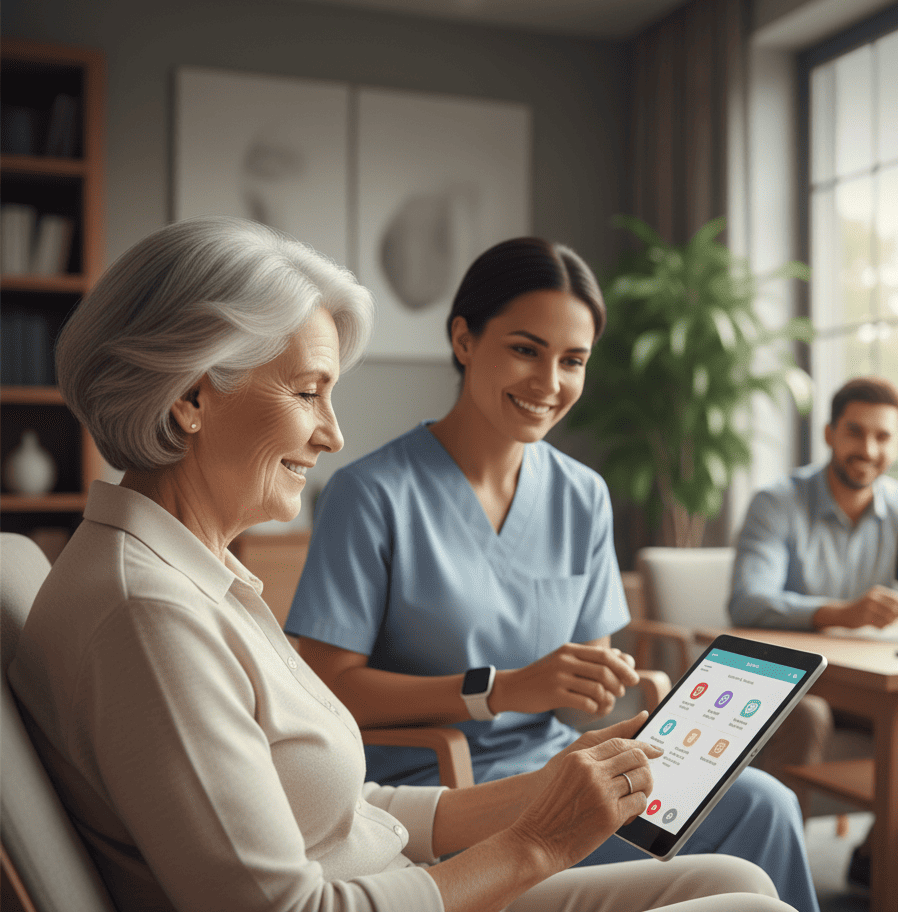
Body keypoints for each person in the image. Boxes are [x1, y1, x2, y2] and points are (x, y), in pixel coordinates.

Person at [7, 217, 798, 912]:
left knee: (739, 878)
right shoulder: (150, 614)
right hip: (398, 877)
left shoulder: (198, 577)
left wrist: (558, 785)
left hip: (399, 849)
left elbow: (344, 810)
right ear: (191, 398)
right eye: (310, 392)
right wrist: (539, 840)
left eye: (573, 359)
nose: (332, 433)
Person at [286, 237, 820, 912]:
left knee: (763, 802)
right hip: (442, 790)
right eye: (525, 349)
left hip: (564, 764)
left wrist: (618, 687)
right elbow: (333, 690)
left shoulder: (582, 494)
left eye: (573, 361)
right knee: (753, 825)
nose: (549, 384)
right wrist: (502, 689)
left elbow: (582, 682)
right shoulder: (371, 494)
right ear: (463, 339)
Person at [729, 375, 898, 911]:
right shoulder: (778, 503)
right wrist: (838, 613)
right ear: (829, 433)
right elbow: (748, 602)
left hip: (874, 687)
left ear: (895, 442)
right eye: (855, 433)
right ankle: (769, 876)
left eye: (883, 437)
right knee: (808, 717)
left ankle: (876, 860)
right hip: (803, 687)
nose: (868, 450)